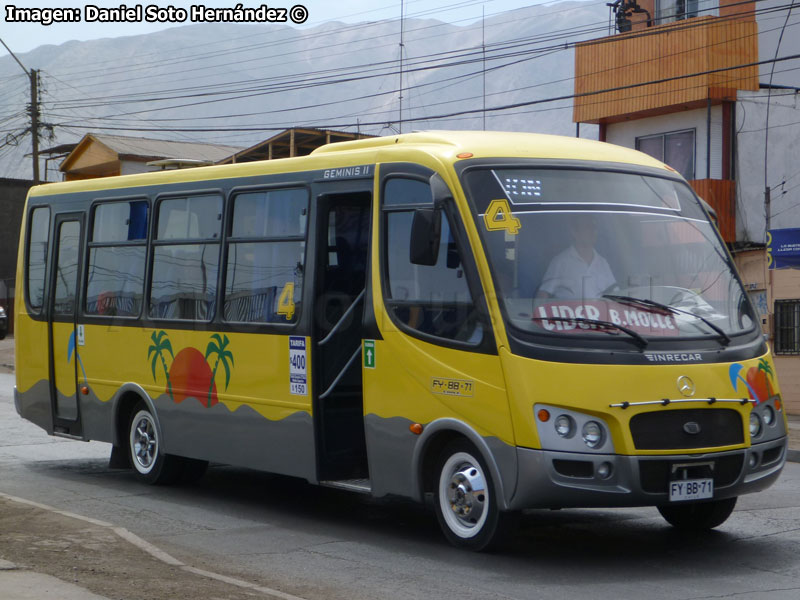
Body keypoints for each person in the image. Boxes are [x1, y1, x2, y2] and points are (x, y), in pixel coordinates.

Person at [536, 213, 616, 300]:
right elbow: (543, 294)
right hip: (567, 313)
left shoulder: (603, 263)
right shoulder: (561, 262)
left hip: (599, 313)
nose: (592, 231)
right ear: (574, 232)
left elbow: (614, 293)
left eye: (594, 227)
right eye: (587, 227)